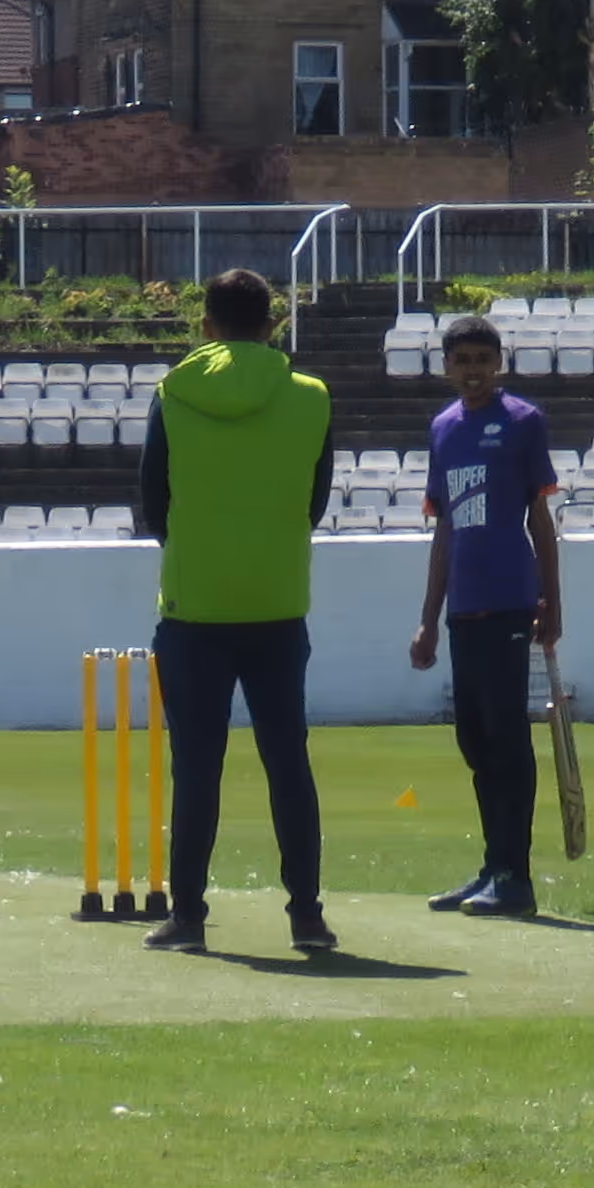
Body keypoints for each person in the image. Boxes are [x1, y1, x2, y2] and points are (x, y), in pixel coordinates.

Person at [128, 265, 337, 957]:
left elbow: (150, 505)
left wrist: (196, 547)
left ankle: (187, 917)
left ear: (207, 325)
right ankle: (306, 915)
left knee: (196, 767)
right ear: (272, 325)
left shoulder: (174, 392)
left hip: (194, 610)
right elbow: (315, 501)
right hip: (278, 604)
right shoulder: (310, 396)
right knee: (288, 763)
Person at [407, 313, 562, 915]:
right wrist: (428, 618)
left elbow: (539, 520)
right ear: (445, 367)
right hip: (464, 606)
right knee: (474, 738)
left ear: (498, 363)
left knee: (505, 736)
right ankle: (492, 866)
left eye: (482, 360)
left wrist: (552, 600)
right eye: (461, 361)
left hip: (510, 597)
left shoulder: (522, 422)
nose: (472, 371)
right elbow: (444, 528)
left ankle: (515, 877)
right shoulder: (443, 428)